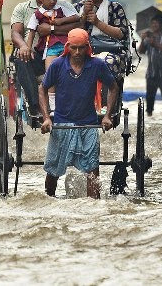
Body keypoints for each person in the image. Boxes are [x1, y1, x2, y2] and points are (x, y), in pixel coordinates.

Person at [38, 28, 119, 199]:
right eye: (73, 48)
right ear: (68, 46)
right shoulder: (58, 65)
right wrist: (46, 118)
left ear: (87, 47)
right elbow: (42, 89)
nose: (77, 52)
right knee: (53, 170)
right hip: (62, 124)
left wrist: (107, 115)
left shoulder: (96, 65)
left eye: (81, 48)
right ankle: (47, 202)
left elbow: (113, 87)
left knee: (92, 170)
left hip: (87, 124)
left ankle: (93, 207)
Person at [10, 0, 79, 118]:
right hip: (35, 55)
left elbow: (78, 26)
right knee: (21, 59)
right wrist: (23, 46)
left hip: (61, 53)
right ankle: (37, 107)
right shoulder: (23, 8)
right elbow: (16, 32)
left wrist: (52, 30)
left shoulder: (64, 6)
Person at [75, 0, 131, 113]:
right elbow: (73, 34)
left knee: (106, 63)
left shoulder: (115, 8)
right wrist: (83, 16)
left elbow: (121, 33)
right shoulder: (78, 7)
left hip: (112, 51)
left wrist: (97, 22)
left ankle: (105, 104)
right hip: (83, 50)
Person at [26, 0, 79, 68]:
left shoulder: (60, 8)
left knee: (69, 68)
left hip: (66, 44)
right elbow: (31, 32)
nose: (52, 1)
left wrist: (62, 20)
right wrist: (28, 48)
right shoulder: (37, 14)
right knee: (50, 70)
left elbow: (76, 17)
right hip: (50, 47)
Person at [138, 15, 162, 119]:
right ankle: (149, 118)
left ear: (161, 24)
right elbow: (141, 51)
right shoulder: (148, 36)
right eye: (153, 23)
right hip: (151, 73)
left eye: (157, 23)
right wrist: (143, 40)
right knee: (149, 99)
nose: (154, 25)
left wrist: (154, 43)